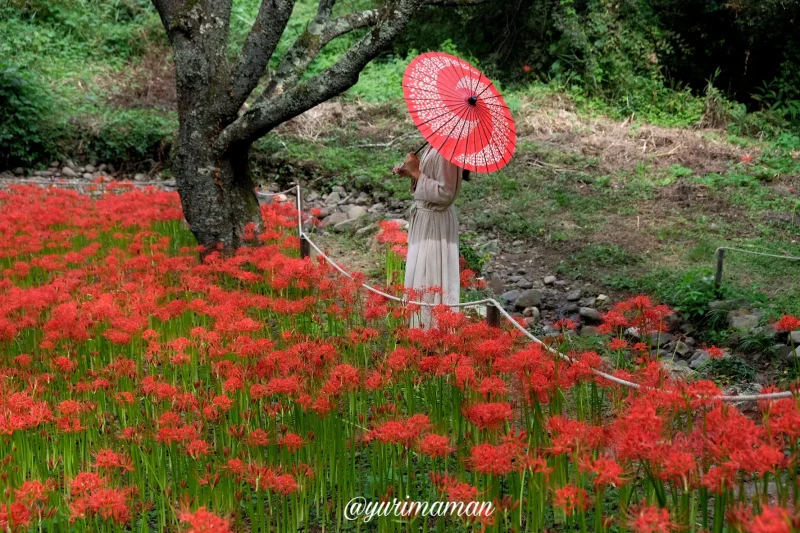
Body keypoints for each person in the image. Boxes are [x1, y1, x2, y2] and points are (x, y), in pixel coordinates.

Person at [392, 146, 464, 329]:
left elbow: (446, 193)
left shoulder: (450, 149)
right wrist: (411, 173)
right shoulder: (437, 143)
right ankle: (418, 326)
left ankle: (433, 330)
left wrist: (417, 172)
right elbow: (431, 178)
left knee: (430, 273)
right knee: (420, 272)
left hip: (435, 223)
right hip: (425, 219)